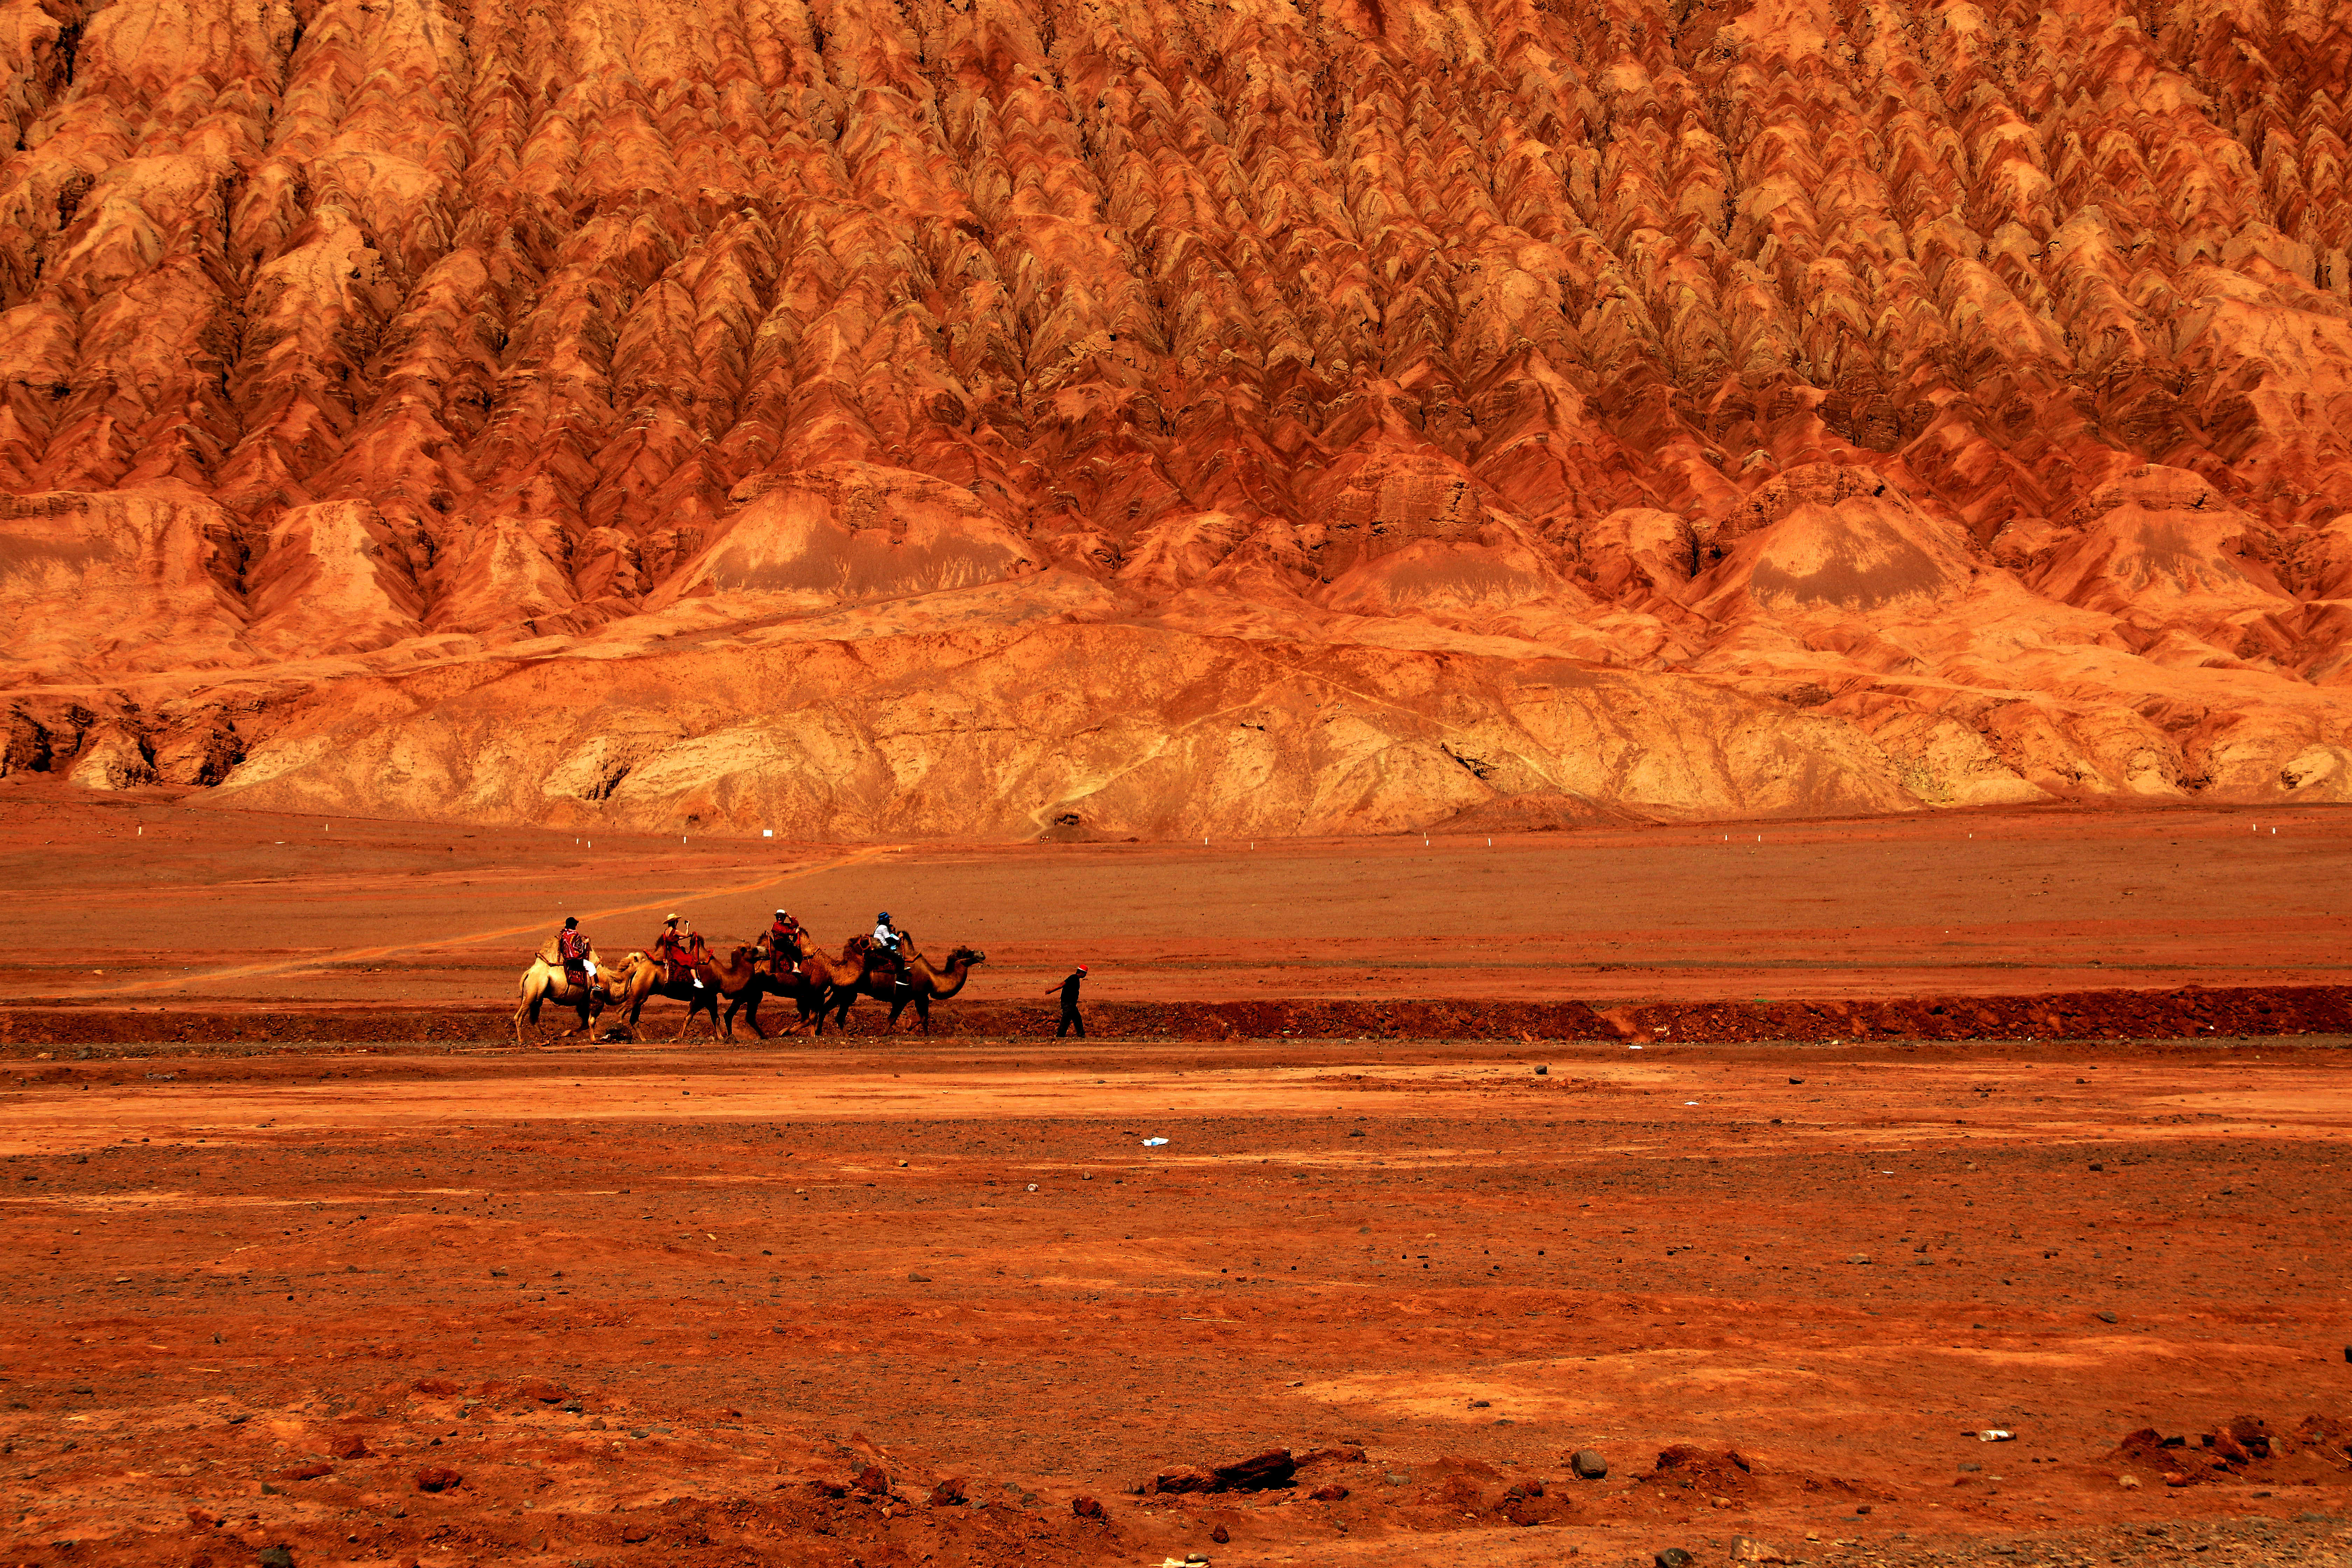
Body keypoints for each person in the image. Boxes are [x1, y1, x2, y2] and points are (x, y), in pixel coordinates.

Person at [653, 914, 711, 988]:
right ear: (674, 922)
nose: (677, 922)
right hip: (677, 952)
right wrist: (688, 926)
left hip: (672, 952)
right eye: (677, 921)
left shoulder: (666, 932)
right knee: (691, 961)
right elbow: (686, 935)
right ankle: (696, 981)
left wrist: (688, 936)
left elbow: (675, 939)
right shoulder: (675, 931)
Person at [555, 916, 593, 995]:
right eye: (575, 925)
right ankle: (594, 985)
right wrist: (586, 942)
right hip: (574, 960)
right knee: (591, 965)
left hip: (566, 959)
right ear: (573, 925)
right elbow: (579, 948)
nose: (576, 926)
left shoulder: (562, 934)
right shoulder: (575, 934)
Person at [868, 911, 906, 988]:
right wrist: (898, 939)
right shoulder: (884, 928)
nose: (889, 920)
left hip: (878, 948)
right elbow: (889, 940)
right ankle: (900, 979)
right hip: (883, 949)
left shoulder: (878, 927)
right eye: (888, 919)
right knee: (900, 956)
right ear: (885, 920)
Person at [1048, 964, 1087, 1038]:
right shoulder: (1073, 978)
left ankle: (1081, 1035)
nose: (1085, 976)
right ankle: (1060, 1037)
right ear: (1081, 972)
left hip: (1071, 1004)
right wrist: (1051, 991)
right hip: (1068, 1004)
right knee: (1066, 1021)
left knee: (1077, 1019)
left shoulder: (1076, 979)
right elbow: (1061, 985)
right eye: (1085, 974)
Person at [767, 909, 807, 977]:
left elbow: (796, 924)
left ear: (784, 918)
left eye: (782, 917)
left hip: (785, 942)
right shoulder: (776, 925)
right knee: (796, 951)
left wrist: (789, 915)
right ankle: (795, 968)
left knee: (796, 949)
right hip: (779, 943)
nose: (779, 918)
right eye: (778, 917)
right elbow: (785, 931)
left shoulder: (785, 925)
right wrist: (795, 932)